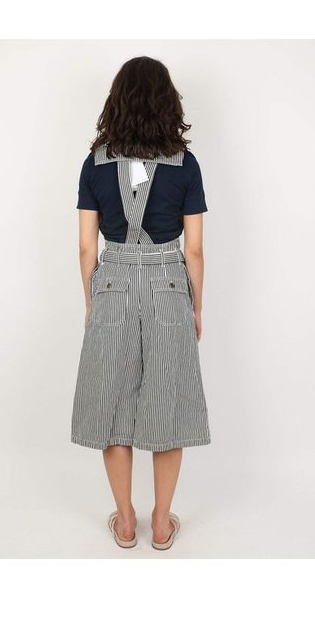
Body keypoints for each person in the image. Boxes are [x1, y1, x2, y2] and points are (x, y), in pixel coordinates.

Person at [71, 56, 211, 551]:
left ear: (118, 102)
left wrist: (92, 299)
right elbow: (194, 249)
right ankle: (163, 521)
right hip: (169, 286)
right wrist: (196, 306)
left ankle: (126, 520)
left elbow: (86, 247)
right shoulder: (186, 165)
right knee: (166, 402)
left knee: (113, 403)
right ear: (167, 103)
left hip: (111, 283)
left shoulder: (95, 163)